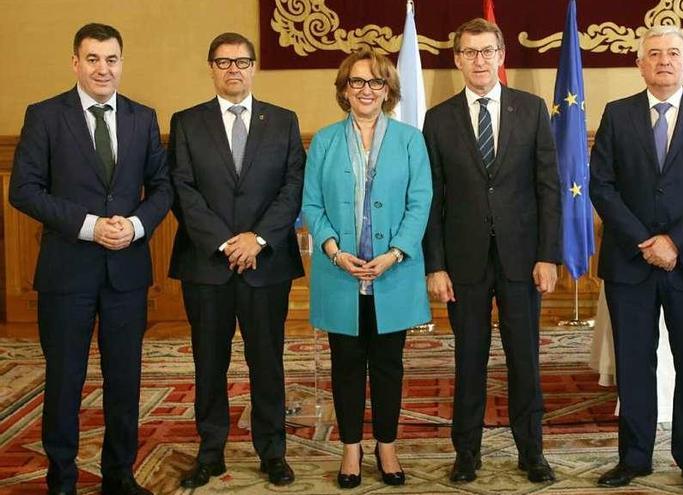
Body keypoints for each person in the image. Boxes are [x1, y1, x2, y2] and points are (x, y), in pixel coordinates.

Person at [8, 23, 172, 495]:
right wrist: (88, 225)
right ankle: (61, 479)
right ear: (75, 63)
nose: (104, 68)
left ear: (122, 62)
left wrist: (136, 225)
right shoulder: (45, 116)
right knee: (64, 381)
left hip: (127, 271)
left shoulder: (143, 118)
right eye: (94, 59)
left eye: (112, 59)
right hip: (66, 272)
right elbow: (24, 190)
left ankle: (119, 475)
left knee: (125, 381)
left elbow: (162, 187)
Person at [589, 25, 683, 493]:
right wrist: (645, 242)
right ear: (640, 63)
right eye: (653, 53)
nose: (664, 60)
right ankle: (633, 458)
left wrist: (674, 242)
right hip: (630, 265)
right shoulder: (617, 114)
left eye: (673, 53)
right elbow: (602, 187)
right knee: (634, 365)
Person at [422, 18, 561, 484]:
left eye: (487, 51)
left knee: (525, 358)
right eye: (470, 52)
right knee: (469, 358)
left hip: (523, 259)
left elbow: (548, 188)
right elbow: (433, 199)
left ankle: (532, 452)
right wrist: (435, 265)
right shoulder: (438, 119)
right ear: (457, 58)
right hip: (463, 262)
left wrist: (549, 255)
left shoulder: (533, 108)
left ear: (501, 56)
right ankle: (467, 452)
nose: (479, 60)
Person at [168, 32, 306, 488]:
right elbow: (182, 191)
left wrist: (259, 239)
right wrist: (228, 243)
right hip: (207, 265)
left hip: (266, 265)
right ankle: (210, 453)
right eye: (224, 62)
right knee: (209, 362)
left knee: (267, 360)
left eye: (242, 62)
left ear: (253, 67)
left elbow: (292, 189)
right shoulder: (186, 123)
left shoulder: (283, 121)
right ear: (211, 68)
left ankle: (272, 453)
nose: (233, 69)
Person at [302, 48, 432, 489]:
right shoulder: (323, 140)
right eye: (356, 82)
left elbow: (421, 203)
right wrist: (336, 252)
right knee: (347, 363)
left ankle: (388, 446)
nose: (366, 90)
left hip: (392, 272)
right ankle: (352, 448)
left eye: (375, 82)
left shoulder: (411, 139)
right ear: (343, 90)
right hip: (340, 272)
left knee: (389, 364)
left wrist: (394, 253)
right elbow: (312, 205)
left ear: (388, 90)